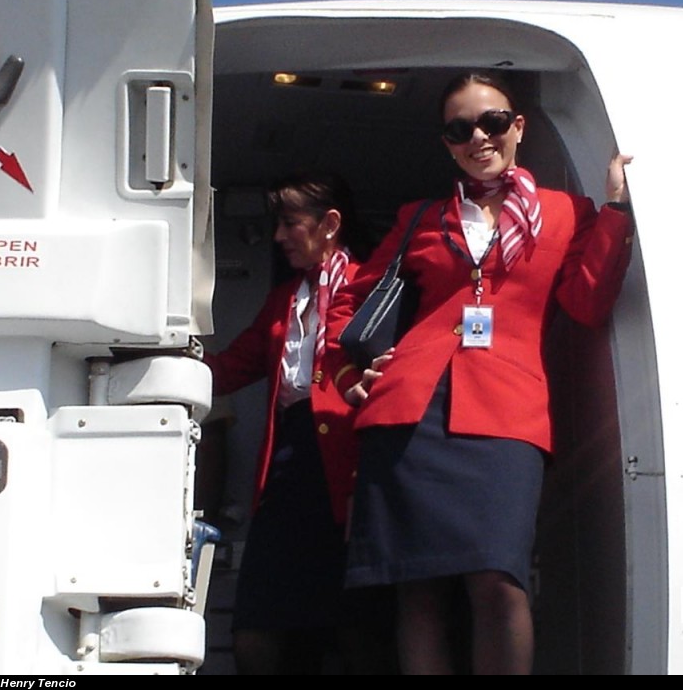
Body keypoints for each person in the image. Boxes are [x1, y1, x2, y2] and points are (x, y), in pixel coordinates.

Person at [322, 72, 635, 675]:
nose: (478, 137)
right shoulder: (421, 217)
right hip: (407, 412)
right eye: (459, 128)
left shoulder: (567, 213)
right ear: (447, 141)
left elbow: (587, 303)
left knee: (498, 581)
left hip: (506, 416)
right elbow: (347, 305)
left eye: (491, 121)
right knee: (419, 591)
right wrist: (346, 375)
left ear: (517, 127)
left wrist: (616, 209)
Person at [204, 172, 391, 675]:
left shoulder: (371, 286)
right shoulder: (285, 298)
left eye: (290, 223)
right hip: (288, 470)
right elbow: (233, 366)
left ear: (330, 224)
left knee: (356, 629)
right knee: (257, 631)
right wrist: (164, 365)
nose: (279, 236)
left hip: (351, 471)